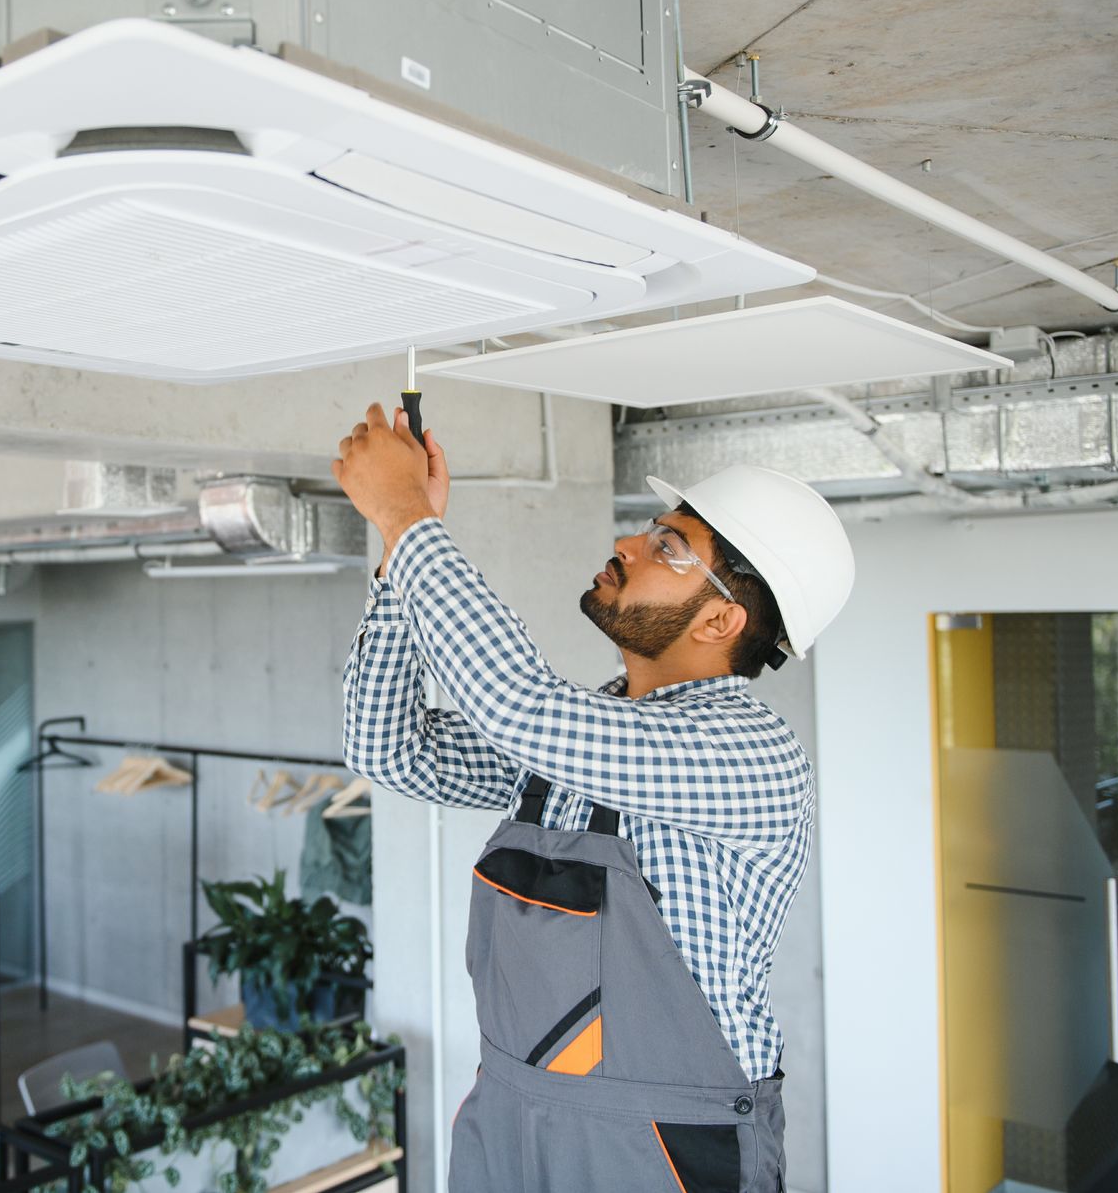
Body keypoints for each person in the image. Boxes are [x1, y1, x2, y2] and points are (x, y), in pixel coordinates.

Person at [331, 402, 854, 1193]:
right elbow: (388, 746)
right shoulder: (579, 743)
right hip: (510, 1123)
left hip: (660, 1148)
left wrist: (407, 520)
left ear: (721, 617)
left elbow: (521, 705)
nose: (628, 543)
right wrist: (398, 554)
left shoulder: (749, 755)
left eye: (668, 547)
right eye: (650, 527)